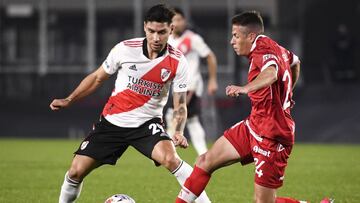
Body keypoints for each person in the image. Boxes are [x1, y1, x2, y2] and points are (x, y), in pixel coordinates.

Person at [50, 4, 211, 203]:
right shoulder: (125, 49)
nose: (155, 38)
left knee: (171, 159)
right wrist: (70, 99)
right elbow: (97, 78)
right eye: (151, 31)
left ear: (171, 29)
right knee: (75, 172)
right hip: (112, 123)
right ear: (145, 27)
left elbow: (179, 105)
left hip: (147, 124)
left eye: (161, 32)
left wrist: (178, 131)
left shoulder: (178, 61)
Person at [175, 11, 333, 203]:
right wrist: (287, 94)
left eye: (235, 36)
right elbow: (295, 62)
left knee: (264, 202)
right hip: (254, 125)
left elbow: (271, 73)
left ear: (251, 36)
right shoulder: (276, 48)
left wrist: (245, 88)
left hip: (273, 135)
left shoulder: (261, 49)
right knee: (205, 161)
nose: (232, 41)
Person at [165, 7, 218, 155]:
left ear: (185, 21)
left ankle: (170, 152)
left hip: (191, 85)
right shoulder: (167, 40)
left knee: (181, 116)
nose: (177, 23)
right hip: (173, 85)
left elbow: (210, 56)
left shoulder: (193, 38)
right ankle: (201, 154)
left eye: (180, 19)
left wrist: (212, 80)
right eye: (174, 20)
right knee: (183, 117)